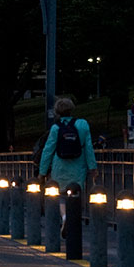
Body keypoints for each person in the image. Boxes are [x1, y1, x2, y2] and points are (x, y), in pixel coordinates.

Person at [38, 96, 99, 224]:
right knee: (75, 193)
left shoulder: (56, 128)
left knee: (61, 195)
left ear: (57, 112)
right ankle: (74, 219)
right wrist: (93, 167)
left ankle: (65, 216)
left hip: (60, 166)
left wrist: (42, 172)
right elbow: (88, 147)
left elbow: (48, 150)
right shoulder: (82, 125)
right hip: (78, 167)